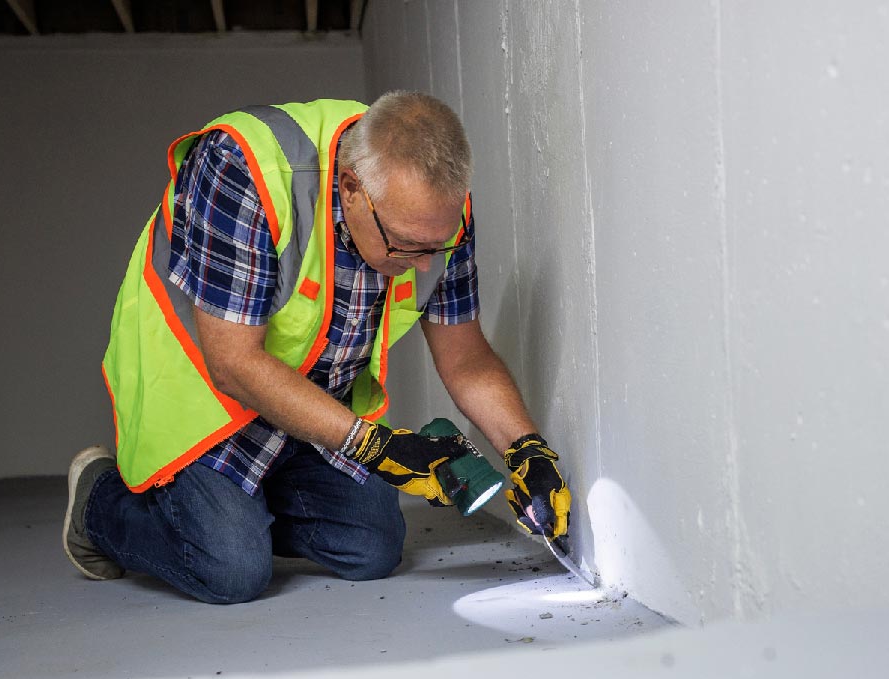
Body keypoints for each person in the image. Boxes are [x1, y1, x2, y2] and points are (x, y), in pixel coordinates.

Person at [60, 92, 572, 604]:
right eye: (405, 245)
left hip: (308, 410)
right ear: (352, 188)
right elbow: (233, 363)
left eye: (434, 248)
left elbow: (465, 357)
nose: (422, 265)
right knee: (231, 569)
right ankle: (98, 505)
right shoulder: (246, 168)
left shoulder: (433, 219)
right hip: (205, 403)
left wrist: (526, 447)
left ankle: (243, 512)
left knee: (374, 549)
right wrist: (377, 447)